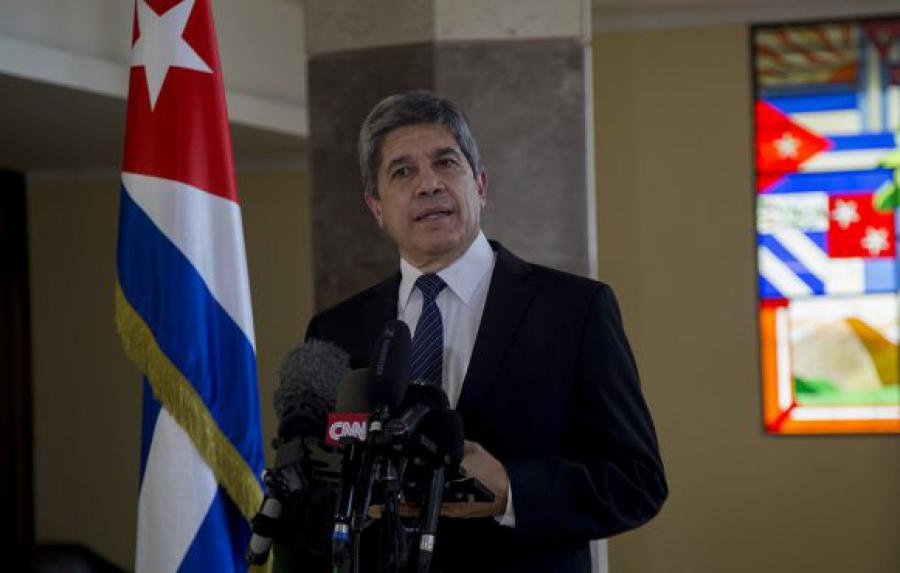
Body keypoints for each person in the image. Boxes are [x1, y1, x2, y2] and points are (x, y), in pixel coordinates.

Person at [305, 90, 667, 573]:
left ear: (479, 185)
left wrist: (511, 491)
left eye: (445, 163)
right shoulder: (336, 329)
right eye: (402, 172)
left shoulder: (574, 309)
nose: (428, 184)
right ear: (376, 208)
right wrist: (361, 503)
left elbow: (636, 481)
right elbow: (307, 488)